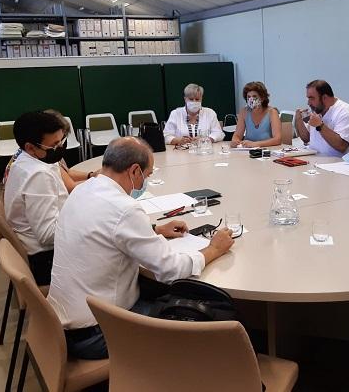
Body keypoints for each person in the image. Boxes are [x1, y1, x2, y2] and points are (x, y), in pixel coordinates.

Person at [48, 137, 234, 359]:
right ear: (134, 171)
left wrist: (154, 229)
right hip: (100, 332)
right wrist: (214, 249)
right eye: (147, 175)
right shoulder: (125, 209)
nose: (146, 180)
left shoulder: (83, 190)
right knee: (210, 316)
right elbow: (171, 270)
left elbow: (107, 230)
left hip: (63, 324)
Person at [3, 111, 69, 285]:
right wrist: (86, 220)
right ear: (30, 147)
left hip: (40, 248)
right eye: (54, 146)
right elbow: (47, 235)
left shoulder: (26, 161)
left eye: (62, 141)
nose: (60, 148)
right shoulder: (38, 174)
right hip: (47, 259)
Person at [293, 79, 349, 157]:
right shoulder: (318, 109)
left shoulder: (346, 112)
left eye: (312, 98)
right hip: (313, 159)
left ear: (324, 97)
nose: (308, 103)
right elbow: (306, 138)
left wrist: (320, 126)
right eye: (308, 98)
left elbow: (342, 146)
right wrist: (298, 119)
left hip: (335, 164)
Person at [231, 81, 282, 148]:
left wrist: (256, 144)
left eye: (254, 96)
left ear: (262, 98)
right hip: (248, 152)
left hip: (267, 152)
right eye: (248, 97)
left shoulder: (272, 112)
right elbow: (237, 135)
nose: (251, 99)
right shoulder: (244, 112)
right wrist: (236, 141)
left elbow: (278, 139)